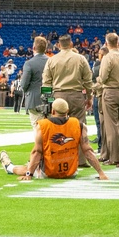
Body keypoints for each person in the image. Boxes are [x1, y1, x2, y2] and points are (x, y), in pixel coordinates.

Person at [0, 98, 107, 181]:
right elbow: (88, 151)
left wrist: (29, 174)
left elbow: (37, 152)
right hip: (70, 172)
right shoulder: (79, 125)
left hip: (48, 171)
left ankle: (10, 167)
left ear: (53, 111)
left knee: (28, 165)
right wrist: (101, 173)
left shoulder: (42, 126)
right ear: (67, 111)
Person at [42, 35, 94, 167]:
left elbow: (46, 83)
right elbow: (88, 80)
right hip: (76, 94)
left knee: (58, 128)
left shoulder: (52, 60)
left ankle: (60, 157)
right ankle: (81, 160)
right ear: (71, 44)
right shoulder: (80, 59)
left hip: (58, 95)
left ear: (59, 45)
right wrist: (89, 97)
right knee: (80, 126)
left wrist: (48, 101)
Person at [96, 33, 119, 166]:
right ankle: (112, 154)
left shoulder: (108, 57)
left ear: (106, 43)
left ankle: (115, 157)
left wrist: (97, 80)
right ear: (118, 41)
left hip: (111, 91)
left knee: (110, 126)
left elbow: (103, 77)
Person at [20, 36, 49, 131]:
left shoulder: (29, 63)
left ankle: (39, 146)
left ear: (34, 48)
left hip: (34, 100)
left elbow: (23, 84)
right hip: (50, 98)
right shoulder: (52, 61)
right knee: (50, 128)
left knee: (38, 128)